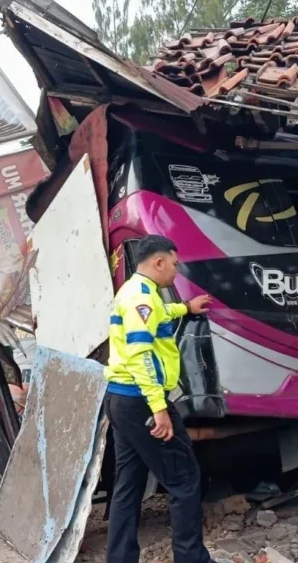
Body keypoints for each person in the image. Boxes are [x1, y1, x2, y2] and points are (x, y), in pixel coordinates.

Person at [104, 234, 219, 563]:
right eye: (174, 263)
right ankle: (191, 558)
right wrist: (159, 408)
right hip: (141, 400)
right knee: (183, 479)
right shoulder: (141, 297)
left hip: (121, 400)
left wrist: (185, 307)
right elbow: (140, 354)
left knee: (128, 484)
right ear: (158, 262)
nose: (176, 271)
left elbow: (156, 314)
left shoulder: (135, 292)